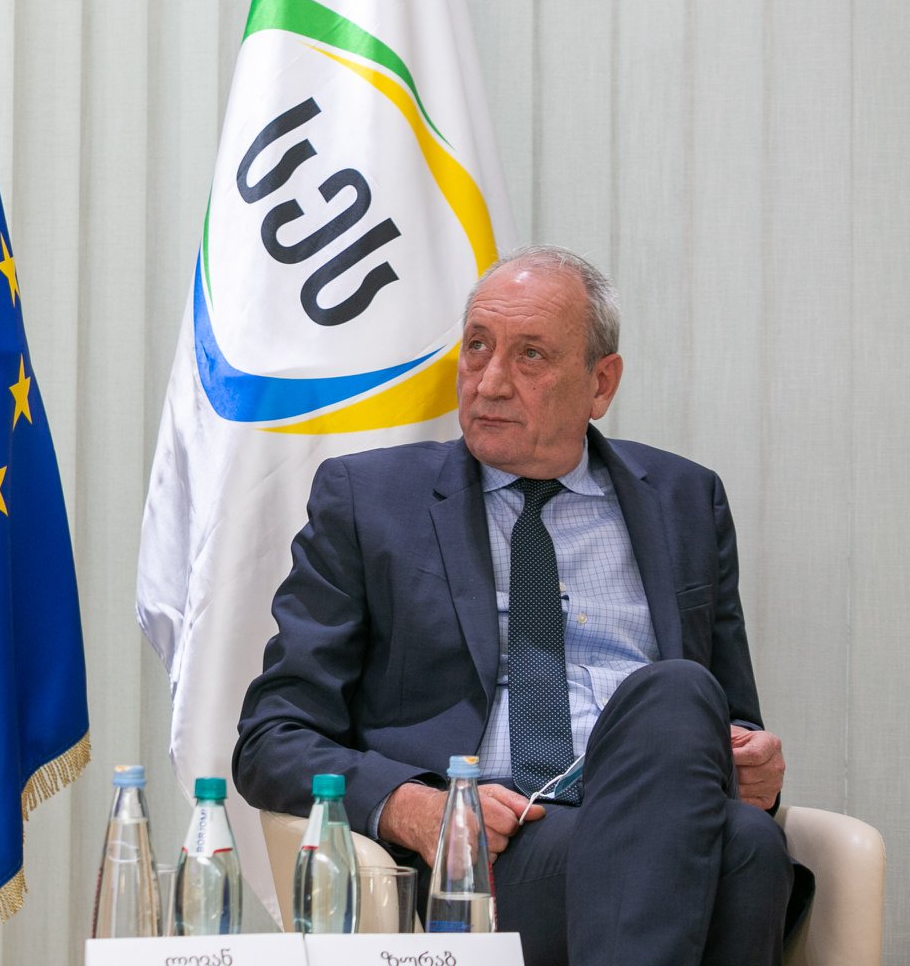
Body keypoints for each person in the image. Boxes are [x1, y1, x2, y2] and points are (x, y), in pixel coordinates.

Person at [233, 245, 804, 965]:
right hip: (490, 853)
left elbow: (732, 717)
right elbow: (272, 737)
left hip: (653, 812)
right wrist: (415, 806)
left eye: (530, 355)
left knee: (706, 749)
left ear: (601, 383)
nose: (490, 382)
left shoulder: (685, 500)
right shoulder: (368, 502)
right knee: (745, 851)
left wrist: (755, 760)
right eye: (477, 346)